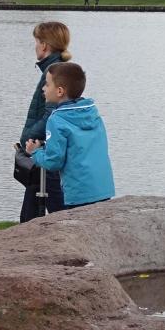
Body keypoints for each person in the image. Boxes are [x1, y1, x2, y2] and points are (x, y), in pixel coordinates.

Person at [25, 62, 115, 209]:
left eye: (47, 84)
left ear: (59, 91)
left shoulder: (56, 120)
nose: (43, 88)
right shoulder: (92, 113)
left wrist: (35, 152)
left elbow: (53, 162)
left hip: (79, 193)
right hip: (103, 189)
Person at [19, 21, 71, 222]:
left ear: (44, 45)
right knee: (31, 208)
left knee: (56, 209)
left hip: (44, 150)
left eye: (36, 42)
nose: (35, 46)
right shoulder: (56, 68)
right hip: (42, 149)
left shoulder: (53, 72)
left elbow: (51, 113)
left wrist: (30, 137)